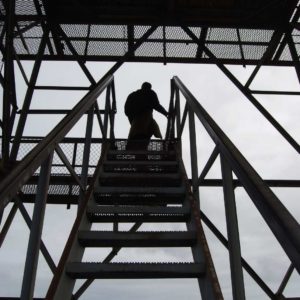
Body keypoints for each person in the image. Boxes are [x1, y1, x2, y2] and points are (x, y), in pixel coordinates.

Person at [125, 82, 168, 149]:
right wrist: (166, 113)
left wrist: (166, 113)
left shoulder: (133, 95)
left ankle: (140, 154)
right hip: (142, 120)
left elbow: (127, 110)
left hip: (139, 121)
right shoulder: (149, 93)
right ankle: (141, 154)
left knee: (140, 137)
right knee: (141, 137)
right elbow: (157, 105)